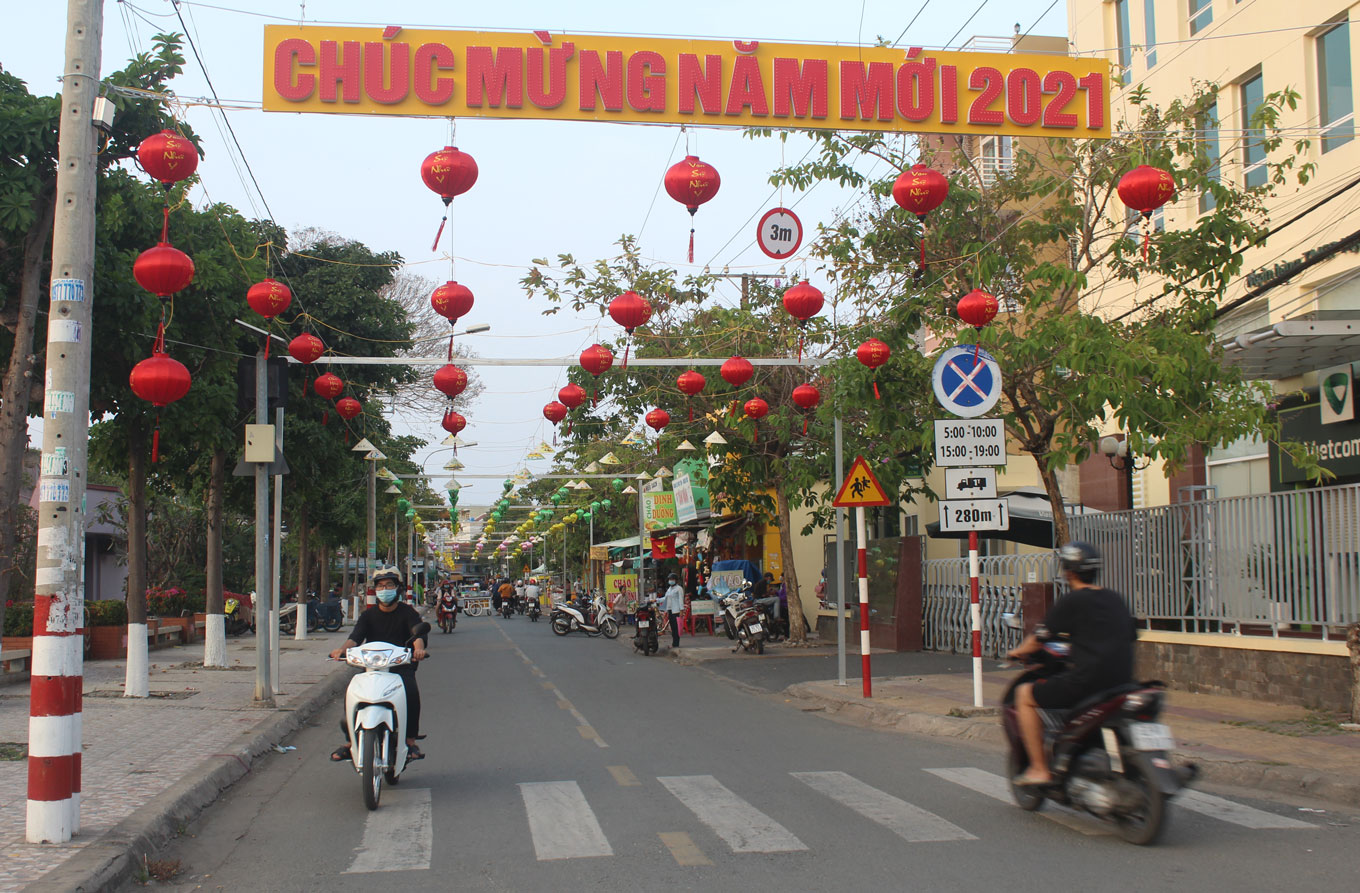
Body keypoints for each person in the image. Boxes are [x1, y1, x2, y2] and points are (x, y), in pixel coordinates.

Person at [1005, 541, 1137, 786]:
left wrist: (1016, 652)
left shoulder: (1072, 601)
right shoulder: (1115, 599)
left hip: (1086, 684)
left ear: (1069, 572)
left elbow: (1038, 640)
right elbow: (1129, 635)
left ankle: (1039, 768)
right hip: (1124, 684)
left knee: (1024, 694)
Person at [330, 568, 428, 762]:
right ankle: (350, 742)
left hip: (400, 666)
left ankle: (410, 741)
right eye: (381, 586)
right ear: (375, 590)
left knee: (411, 693)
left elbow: (417, 635)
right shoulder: (369, 615)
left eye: (389, 585)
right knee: (352, 693)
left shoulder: (407, 612)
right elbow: (355, 637)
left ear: (398, 588)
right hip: (372, 667)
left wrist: (419, 650)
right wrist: (341, 650)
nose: (385, 589)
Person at [661, 573, 685, 650]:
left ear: (676, 580)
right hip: (670, 610)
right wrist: (656, 600)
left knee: (676, 628)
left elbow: (681, 600)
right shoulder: (669, 589)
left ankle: (676, 643)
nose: (670, 581)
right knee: (673, 628)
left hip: (676, 611)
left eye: (672, 579)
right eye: (669, 579)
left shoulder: (679, 589)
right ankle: (674, 643)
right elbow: (665, 598)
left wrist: (681, 610)